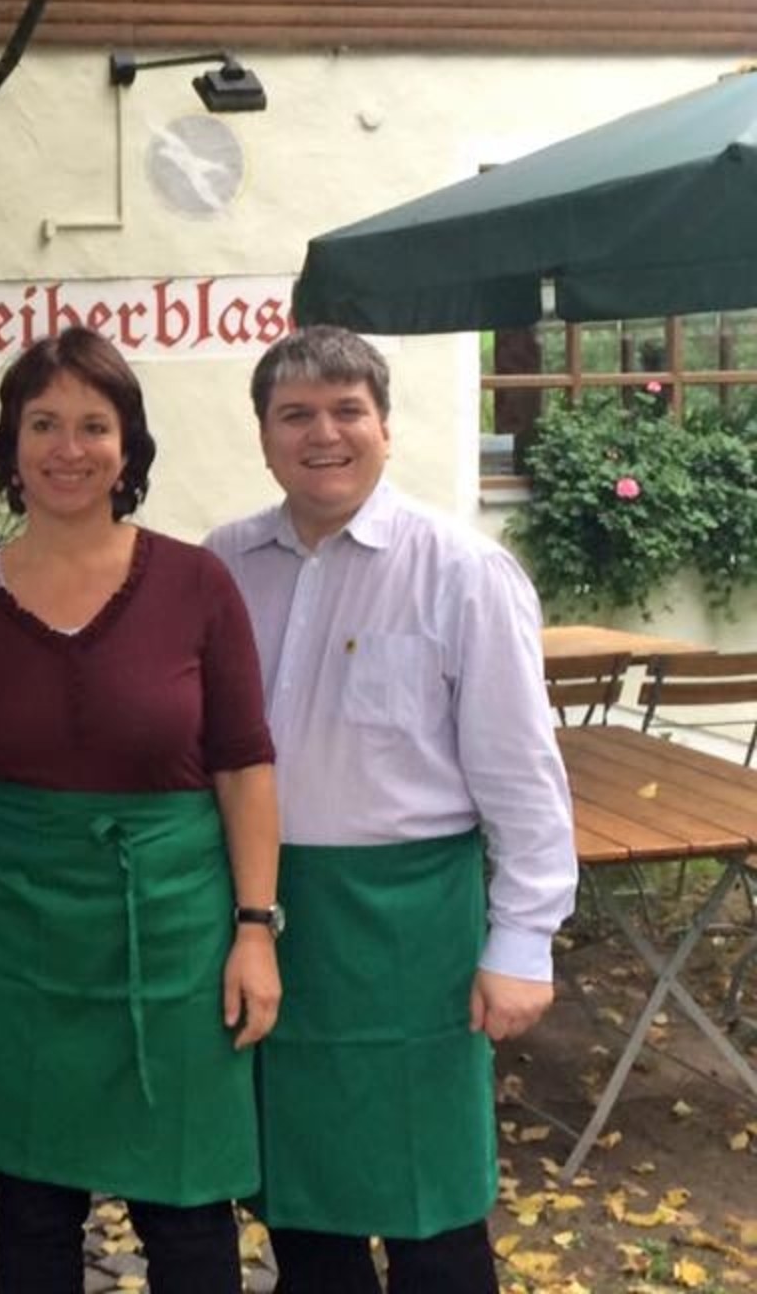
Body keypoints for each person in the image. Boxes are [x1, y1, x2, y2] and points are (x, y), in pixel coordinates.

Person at [0, 327, 282, 1294]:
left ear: (127, 447)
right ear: (9, 446)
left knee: (188, 1208)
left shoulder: (198, 584)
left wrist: (255, 930)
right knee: (32, 1207)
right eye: (43, 425)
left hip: (175, 932)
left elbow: (244, 766)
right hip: (17, 939)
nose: (67, 448)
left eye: (93, 425)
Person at [206, 325, 577, 1294]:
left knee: (432, 1209)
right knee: (299, 1196)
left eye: (347, 411)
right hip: (266, 917)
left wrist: (524, 938)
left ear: (385, 427)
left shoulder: (462, 571)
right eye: (296, 414)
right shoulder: (223, 565)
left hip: (412, 932)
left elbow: (522, 776)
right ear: (263, 433)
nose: (323, 434)